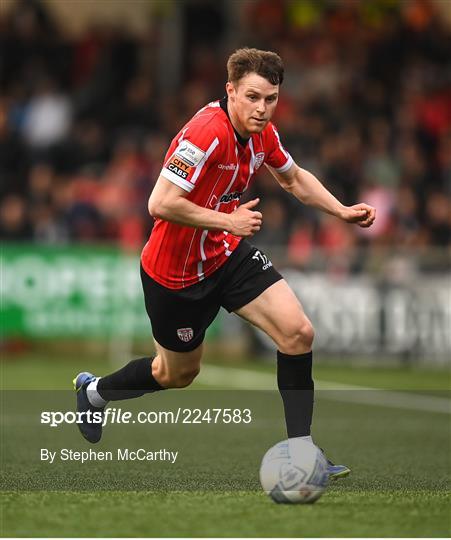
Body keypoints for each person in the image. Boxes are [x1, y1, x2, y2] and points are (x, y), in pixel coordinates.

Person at [74, 48, 376, 479]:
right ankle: (95, 391)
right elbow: (159, 203)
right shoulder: (204, 134)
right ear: (230, 90)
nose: (262, 108)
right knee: (175, 374)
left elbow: (292, 178)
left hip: (226, 254)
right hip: (174, 275)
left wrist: (340, 209)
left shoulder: (262, 133)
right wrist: (228, 219)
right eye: (253, 97)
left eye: (271, 99)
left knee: (297, 332)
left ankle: (302, 452)